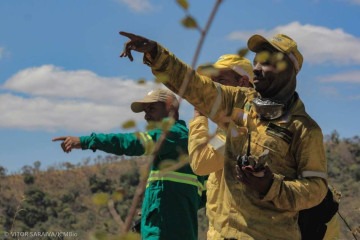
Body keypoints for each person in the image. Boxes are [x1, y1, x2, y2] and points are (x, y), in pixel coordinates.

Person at [119, 32, 339, 239]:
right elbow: (195, 86)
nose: (258, 69)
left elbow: (316, 188)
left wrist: (271, 186)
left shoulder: (304, 129)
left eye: (267, 63)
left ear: (288, 70)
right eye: (256, 63)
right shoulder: (237, 102)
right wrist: (157, 54)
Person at [52, 88, 205, 240]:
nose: (146, 116)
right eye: (145, 111)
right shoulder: (187, 142)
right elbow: (202, 193)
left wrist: (86, 141)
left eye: (151, 109)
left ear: (170, 107)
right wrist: (160, 211)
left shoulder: (172, 134)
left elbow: (133, 143)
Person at [188, 54, 254, 240]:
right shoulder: (231, 125)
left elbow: (201, 163)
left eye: (221, 81)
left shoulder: (241, 127)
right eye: (212, 81)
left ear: (242, 82)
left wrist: (199, 115)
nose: (212, 88)